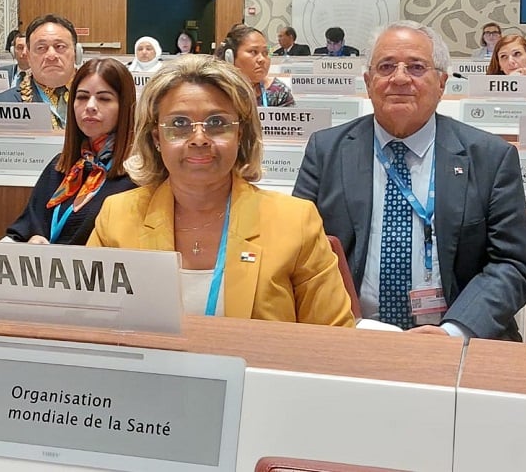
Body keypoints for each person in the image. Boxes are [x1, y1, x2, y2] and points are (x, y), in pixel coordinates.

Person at [293, 20, 526, 340]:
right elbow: (297, 252)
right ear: (368, 81)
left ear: (442, 83)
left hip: (461, 338)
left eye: (417, 67)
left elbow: (511, 264)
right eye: (386, 66)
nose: (400, 78)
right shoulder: (326, 151)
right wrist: (350, 323)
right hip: (352, 336)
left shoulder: (490, 157)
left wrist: (452, 331)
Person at [87, 55, 353, 326]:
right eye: (179, 124)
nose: (199, 139)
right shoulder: (116, 218)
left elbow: (335, 338)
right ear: (157, 138)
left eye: (217, 123)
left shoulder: (295, 221)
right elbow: (90, 326)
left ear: (240, 134)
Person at [3, 58, 136, 245]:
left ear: (125, 106)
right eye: (81, 97)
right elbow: (23, 230)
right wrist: (31, 241)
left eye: (104, 98)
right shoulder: (61, 166)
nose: (90, 106)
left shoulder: (139, 176)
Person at [0, 14, 78, 129]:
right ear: (28, 56)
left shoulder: (102, 102)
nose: (51, 55)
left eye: (60, 46)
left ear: (76, 52)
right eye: (41, 48)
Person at [218, 25, 294, 107]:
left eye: (265, 53)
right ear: (230, 57)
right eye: (253, 52)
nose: (262, 59)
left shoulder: (279, 91)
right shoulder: (216, 90)